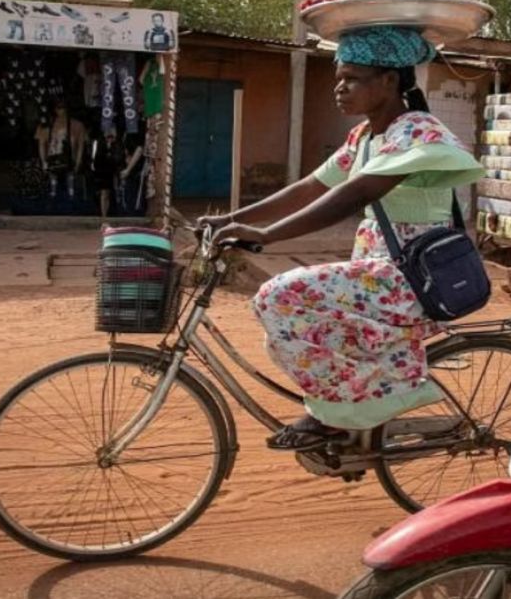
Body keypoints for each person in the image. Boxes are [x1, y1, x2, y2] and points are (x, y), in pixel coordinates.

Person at [203, 26, 484, 451]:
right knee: (293, 326)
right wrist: (231, 218)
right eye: (338, 78)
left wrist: (266, 234)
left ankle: (344, 412)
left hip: (409, 279)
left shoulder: (417, 131)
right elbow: (311, 186)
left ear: (389, 81)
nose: (340, 88)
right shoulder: (365, 136)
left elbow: (356, 192)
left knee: (277, 297)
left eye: (352, 78)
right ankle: (357, 410)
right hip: (375, 274)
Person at [35, 100, 86, 200]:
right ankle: (53, 194)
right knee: (53, 182)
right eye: (59, 108)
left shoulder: (77, 125)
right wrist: (44, 162)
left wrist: (79, 162)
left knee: (70, 180)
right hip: (53, 159)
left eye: (63, 107)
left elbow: (81, 145)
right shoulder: (46, 125)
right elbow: (41, 144)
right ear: (54, 109)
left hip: (70, 159)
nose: (61, 110)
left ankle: (70, 195)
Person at [90, 127, 123, 220]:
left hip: (113, 170)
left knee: (111, 193)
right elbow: (95, 159)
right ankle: (103, 215)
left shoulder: (117, 144)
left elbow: (119, 157)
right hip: (102, 170)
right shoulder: (99, 143)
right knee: (103, 193)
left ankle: (111, 214)